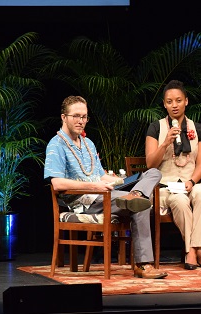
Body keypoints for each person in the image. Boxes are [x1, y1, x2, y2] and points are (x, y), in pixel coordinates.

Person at [44, 96, 167, 279]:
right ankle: (143, 265)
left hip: (106, 193)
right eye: (76, 116)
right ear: (64, 117)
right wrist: (93, 185)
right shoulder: (56, 145)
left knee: (153, 173)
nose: (81, 121)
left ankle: (135, 193)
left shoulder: (88, 144)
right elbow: (57, 183)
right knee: (142, 204)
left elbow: (101, 175)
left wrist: (122, 180)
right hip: (85, 200)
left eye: (84, 117)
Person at [145, 80, 201, 270]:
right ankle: (196, 251)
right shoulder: (156, 128)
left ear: (186, 101)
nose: (174, 105)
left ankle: (191, 250)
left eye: (178, 100)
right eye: (169, 102)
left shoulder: (197, 128)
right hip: (164, 187)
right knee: (180, 202)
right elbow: (150, 164)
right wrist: (166, 143)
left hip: (189, 183)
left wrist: (192, 181)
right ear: (164, 104)